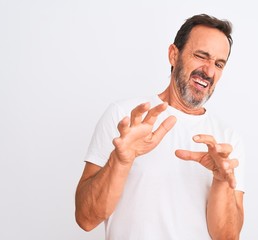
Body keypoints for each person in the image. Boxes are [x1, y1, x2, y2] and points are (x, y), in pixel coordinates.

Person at [75, 13, 245, 240]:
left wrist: (222, 181)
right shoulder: (125, 116)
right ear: (174, 55)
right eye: (201, 56)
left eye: (219, 64)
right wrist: (121, 160)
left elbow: (227, 237)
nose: (209, 71)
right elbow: (85, 219)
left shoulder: (226, 141)